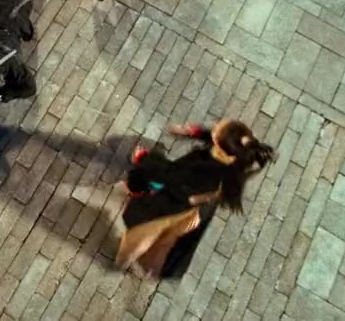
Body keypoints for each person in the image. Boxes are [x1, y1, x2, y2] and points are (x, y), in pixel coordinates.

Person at [118, 119, 276, 278]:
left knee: (143, 226)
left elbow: (171, 174)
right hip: (184, 194)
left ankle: (135, 261)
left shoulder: (205, 172)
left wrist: (144, 158)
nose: (216, 125)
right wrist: (196, 133)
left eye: (218, 128)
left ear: (220, 146)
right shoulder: (230, 157)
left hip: (177, 202)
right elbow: (215, 140)